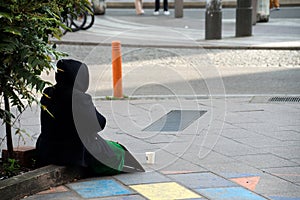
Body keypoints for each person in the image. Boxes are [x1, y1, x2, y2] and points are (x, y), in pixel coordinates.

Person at [36, 59, 125, 175]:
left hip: (47, 150)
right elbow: (99, 124)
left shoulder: (48, 93)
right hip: (72, 153)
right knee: (119, 153)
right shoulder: (78, 98)